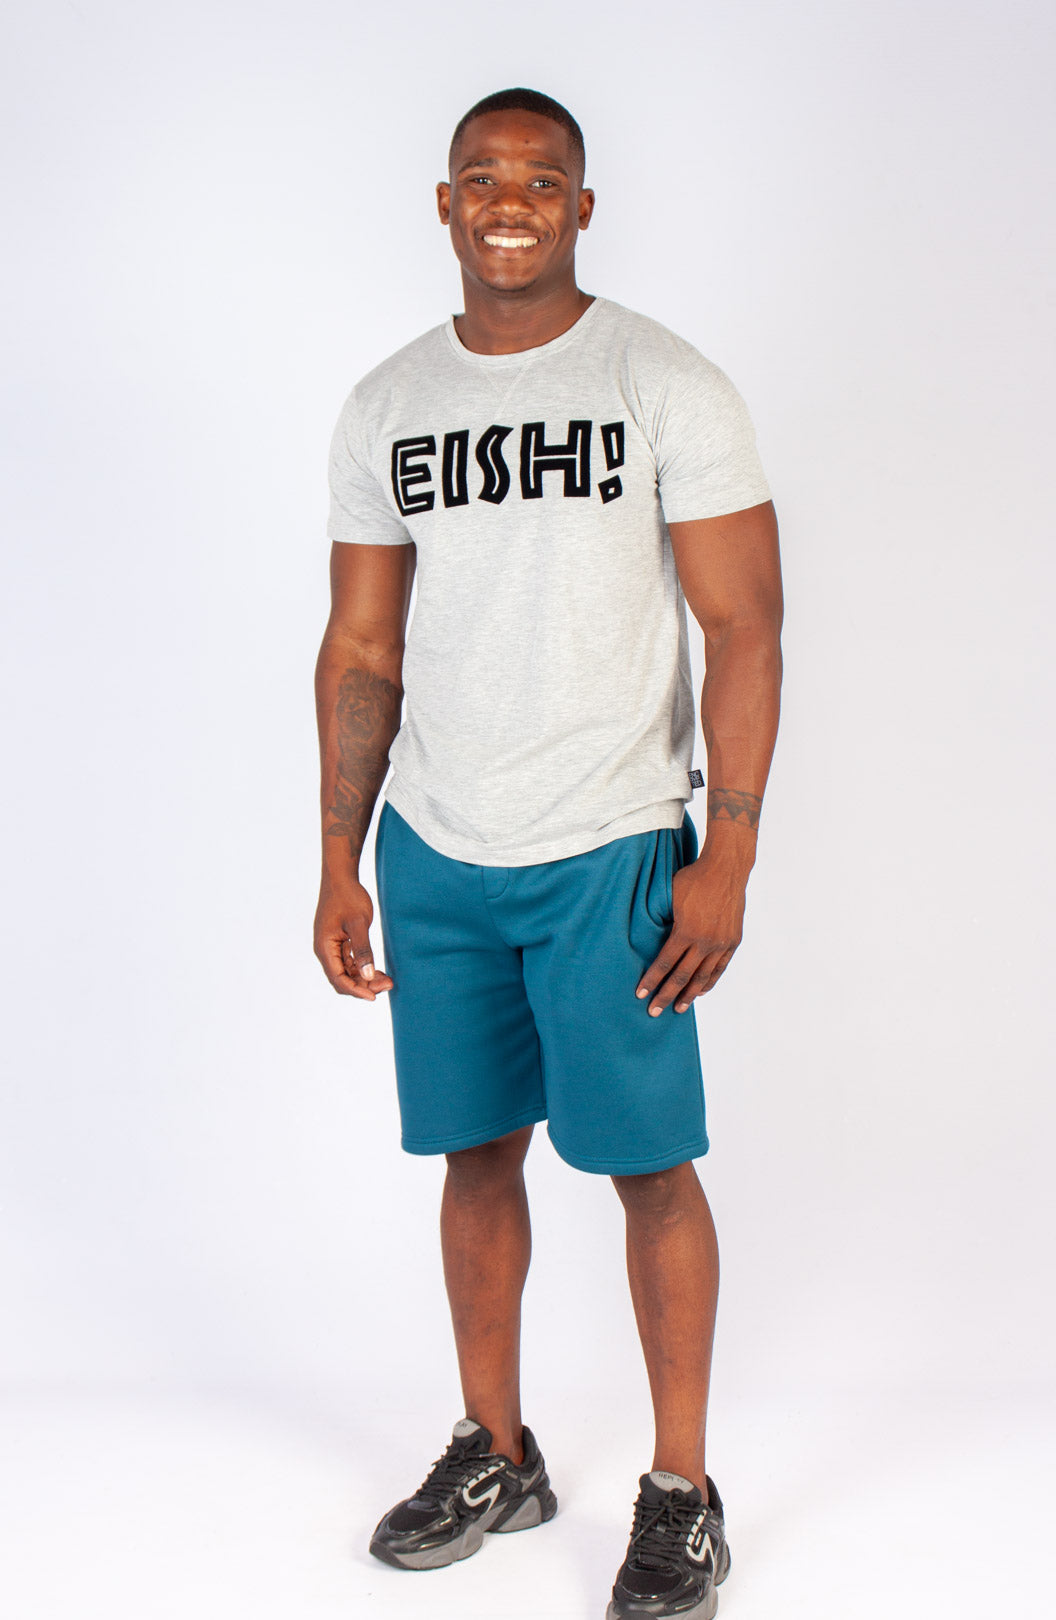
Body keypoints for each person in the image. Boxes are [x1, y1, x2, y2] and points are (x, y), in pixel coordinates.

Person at [314, 86, 783, 1620]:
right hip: (439, 847)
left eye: (540, 178)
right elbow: (362, 645)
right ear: (443, 204)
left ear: (583, 207)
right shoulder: (389, 403)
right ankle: (496, 1452)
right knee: (475, 1154)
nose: (508, 200)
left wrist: (729, 851)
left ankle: (682, 1488)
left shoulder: (664, 381)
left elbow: (745, 624)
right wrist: (340, 854)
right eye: (482, 176)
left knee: (649, 1169)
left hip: (609, 849)